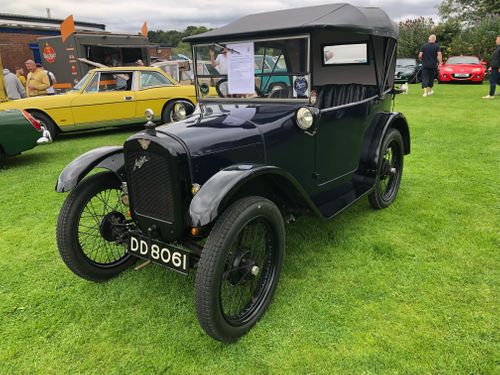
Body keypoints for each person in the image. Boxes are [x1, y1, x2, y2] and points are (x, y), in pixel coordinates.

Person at [482, 35, 500, 99]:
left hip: (497, 68)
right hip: (494, 67)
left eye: (497, 39)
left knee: (492, 80)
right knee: (498, 81)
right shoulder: (498, 48)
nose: (496, 40)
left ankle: (491, 95)